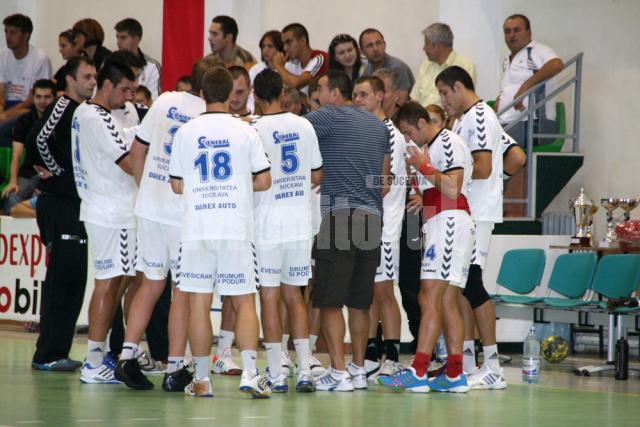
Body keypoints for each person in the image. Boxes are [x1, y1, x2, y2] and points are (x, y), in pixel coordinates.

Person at [114, 56, 221, 392]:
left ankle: (127, 355)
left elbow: (137, 149)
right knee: (182, 290)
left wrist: (143, 187)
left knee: (150, 283)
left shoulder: (163, 101)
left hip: (149, 206)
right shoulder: (208, 117)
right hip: (181, 214)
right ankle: (175, 366)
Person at [169, 66, 272, 398]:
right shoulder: (245, 131)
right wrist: (237, 183)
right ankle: (252, 374)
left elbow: (176, 184)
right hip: (235, 226)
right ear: (231, 94)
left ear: (201, 94)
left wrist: (203, 187)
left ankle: (201, 380)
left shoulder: (185, 132)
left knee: (198, 302)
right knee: (244, 302)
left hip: (197, 227)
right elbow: (264, 180)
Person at [378, 101, 473, 393]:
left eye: (408, 132)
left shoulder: (448, 141)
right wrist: (418, 179)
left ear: (421, 122)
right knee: (446, 301)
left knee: (427, 296)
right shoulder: (430, 146)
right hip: (442, 221)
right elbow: (435, 187)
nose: (407, 139)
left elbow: (453, 188)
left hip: (449, 222)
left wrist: (423, 166)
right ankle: (455, 373)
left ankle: (419, 370)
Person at [305, 70, 390, 391]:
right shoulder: (379, 127)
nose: (317, 98)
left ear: (336, 94)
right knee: (360, 302)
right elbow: (384, 183)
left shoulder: (330, 115)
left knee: (328, 301)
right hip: (372, 219)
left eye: (320, 91)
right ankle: (356, 370)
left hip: (340, 215)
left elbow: (292, 129)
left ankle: (338, 373)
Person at [251, 68, 323, 393]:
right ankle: (305, 368)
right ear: (283, 93)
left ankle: (277, 372)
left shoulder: (253, 130)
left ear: (255, 95)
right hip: (299, 223)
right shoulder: (304, 125)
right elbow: (318, 176)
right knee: (295, 295)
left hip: (266, 224)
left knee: (269, 294)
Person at [436, 65, 507, 390]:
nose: (443, 100)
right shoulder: (467, 118)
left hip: (477, 212)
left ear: (459, 87)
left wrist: (449, 181)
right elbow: (514, 156)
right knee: (463, 286)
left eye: (445, 92)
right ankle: (464, 362)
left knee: (474, 285)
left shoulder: (480, 116)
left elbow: (483, 166)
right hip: (469, 210)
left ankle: (493, 365)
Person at [25, 56, 96, 372]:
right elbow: (37, 140)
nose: (92, 81)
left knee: (74, 277)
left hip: (74, 203)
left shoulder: (83, 112)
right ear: (70, 79)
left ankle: (58, 350)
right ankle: (47, 353)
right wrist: (59, 175)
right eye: (87, 75)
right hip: (59, 203)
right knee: (61, 278)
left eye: (95, 75)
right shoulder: (63, 106)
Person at [72, 61, 138, 384]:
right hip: (112, 211)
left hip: (104, 207)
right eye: (124, 89)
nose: (129, 97)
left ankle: (103, 354)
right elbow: (130, 164)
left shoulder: (85, 114)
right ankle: (94, 360)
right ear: (106, 85)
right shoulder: (97, 117)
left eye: (134, 90)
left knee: (119, 281)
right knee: (109, 282)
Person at [352, 76, 406, 380]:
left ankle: (393, 357)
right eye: (355, 95)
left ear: (380, 97)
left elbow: (385, 184)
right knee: (367, 292)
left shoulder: (390, 135)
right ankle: (371, 354)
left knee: (384, 291)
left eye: (364, 94)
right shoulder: (366, 131)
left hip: (384, 226)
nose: (358, 100)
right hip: (365, 222)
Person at [495, 14, 564, 146]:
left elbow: (556, 64)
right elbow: (512, 86)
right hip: (509, 123)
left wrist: (525, 88)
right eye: (507, 31)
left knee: (490, 145)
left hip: (534, 123)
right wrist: (501, 98)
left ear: (529, 31)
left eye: (517, 30)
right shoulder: (507, 58)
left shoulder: (537, 51)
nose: (512, 35)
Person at [2, 79, 56, 213]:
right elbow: (16, 154)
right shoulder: (24, 121)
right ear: (33, 97)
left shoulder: (62, 121)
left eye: (47, 97)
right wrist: (13, 181)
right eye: (38, 97)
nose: (42, 101)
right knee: (12, 197)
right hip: (28, 174)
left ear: (54, 98)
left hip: (54, 175)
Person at [0, 14, 52, 147]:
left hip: (29, 108)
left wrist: (6, 114)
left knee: (3, 127)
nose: (8, 36)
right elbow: (1, 90)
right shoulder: (3, 55)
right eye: (6, 31)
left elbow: (32, 99)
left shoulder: (40, 59)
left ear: (26, 35)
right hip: (7, 106)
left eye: (13, 32)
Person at [411, 23, 476, 108]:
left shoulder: (464, 66)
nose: (424, 48)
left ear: (438, 46)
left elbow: (463, 104)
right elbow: (414, 99)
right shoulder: (425, 64)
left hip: (447, 119)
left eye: (427, 44)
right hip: (422, 118)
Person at [359, 28, 414, 104]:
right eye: (369, 45)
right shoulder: (367, 70)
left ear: (384, 45)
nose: (375, 49)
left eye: (378, 43)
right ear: (362, 51)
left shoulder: (397, 68)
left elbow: (401, 103)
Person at [273, 23, 328, 94]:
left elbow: (296, 84)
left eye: (289, 42)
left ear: (303, 41)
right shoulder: (292, 63)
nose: (285, 48)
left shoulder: (320, 58)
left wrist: (279, 66)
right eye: (284, 43)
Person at [115, 18, 162, 100]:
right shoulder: (108, 63)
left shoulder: (152, 66)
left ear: (136, 39)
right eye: (117, 37)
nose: (118, 42)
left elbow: (153, 101)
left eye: (123, 38)